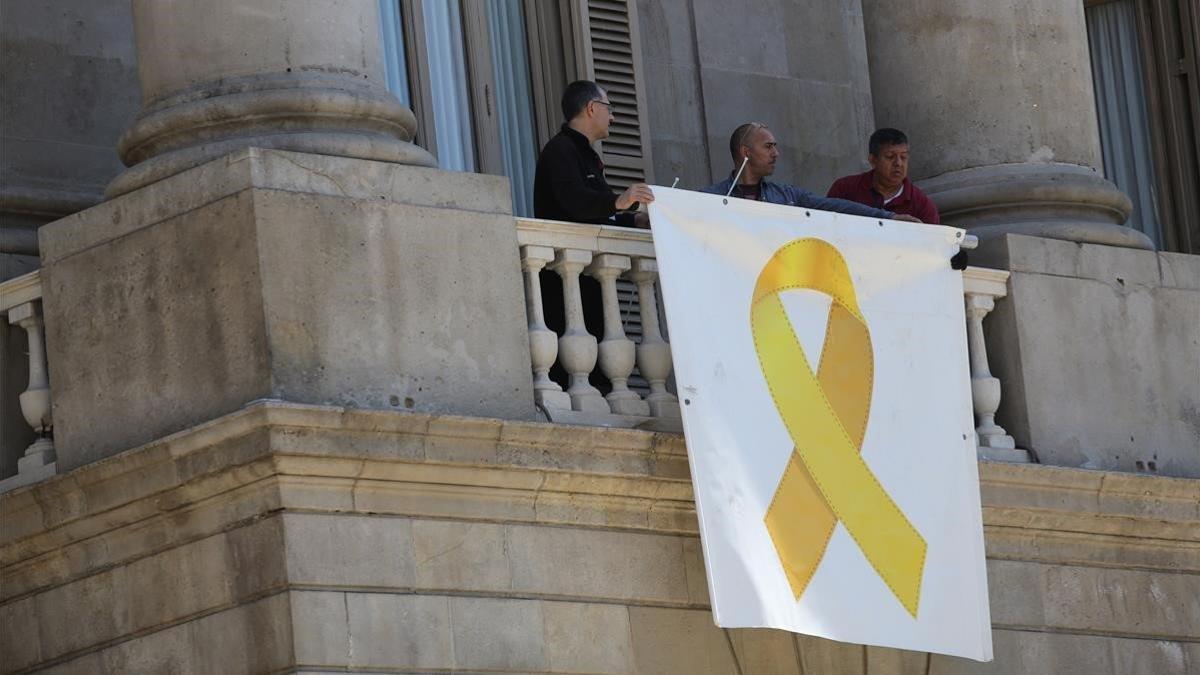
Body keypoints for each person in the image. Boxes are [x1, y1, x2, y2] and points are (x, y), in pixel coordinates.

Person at [702, 122, 919, 222]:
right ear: (746, 152)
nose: (776, 153)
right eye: (768, 147)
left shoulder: (789, 196)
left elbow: (836, 206)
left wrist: (889, 217)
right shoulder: (707, 200)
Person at [534, 80, 653, 228]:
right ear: (591, 108)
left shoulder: (586, 153)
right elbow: (576, 202)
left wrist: (634, 221)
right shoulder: (560, 149)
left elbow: (600, 216)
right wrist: (619, 201)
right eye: (609, 109)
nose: (612, 118)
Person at [826, 128, 940, 224]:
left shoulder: (922, 205)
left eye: (904, 157)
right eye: (890, 157)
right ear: (873, 160)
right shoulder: (844, 189)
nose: (898, 163)